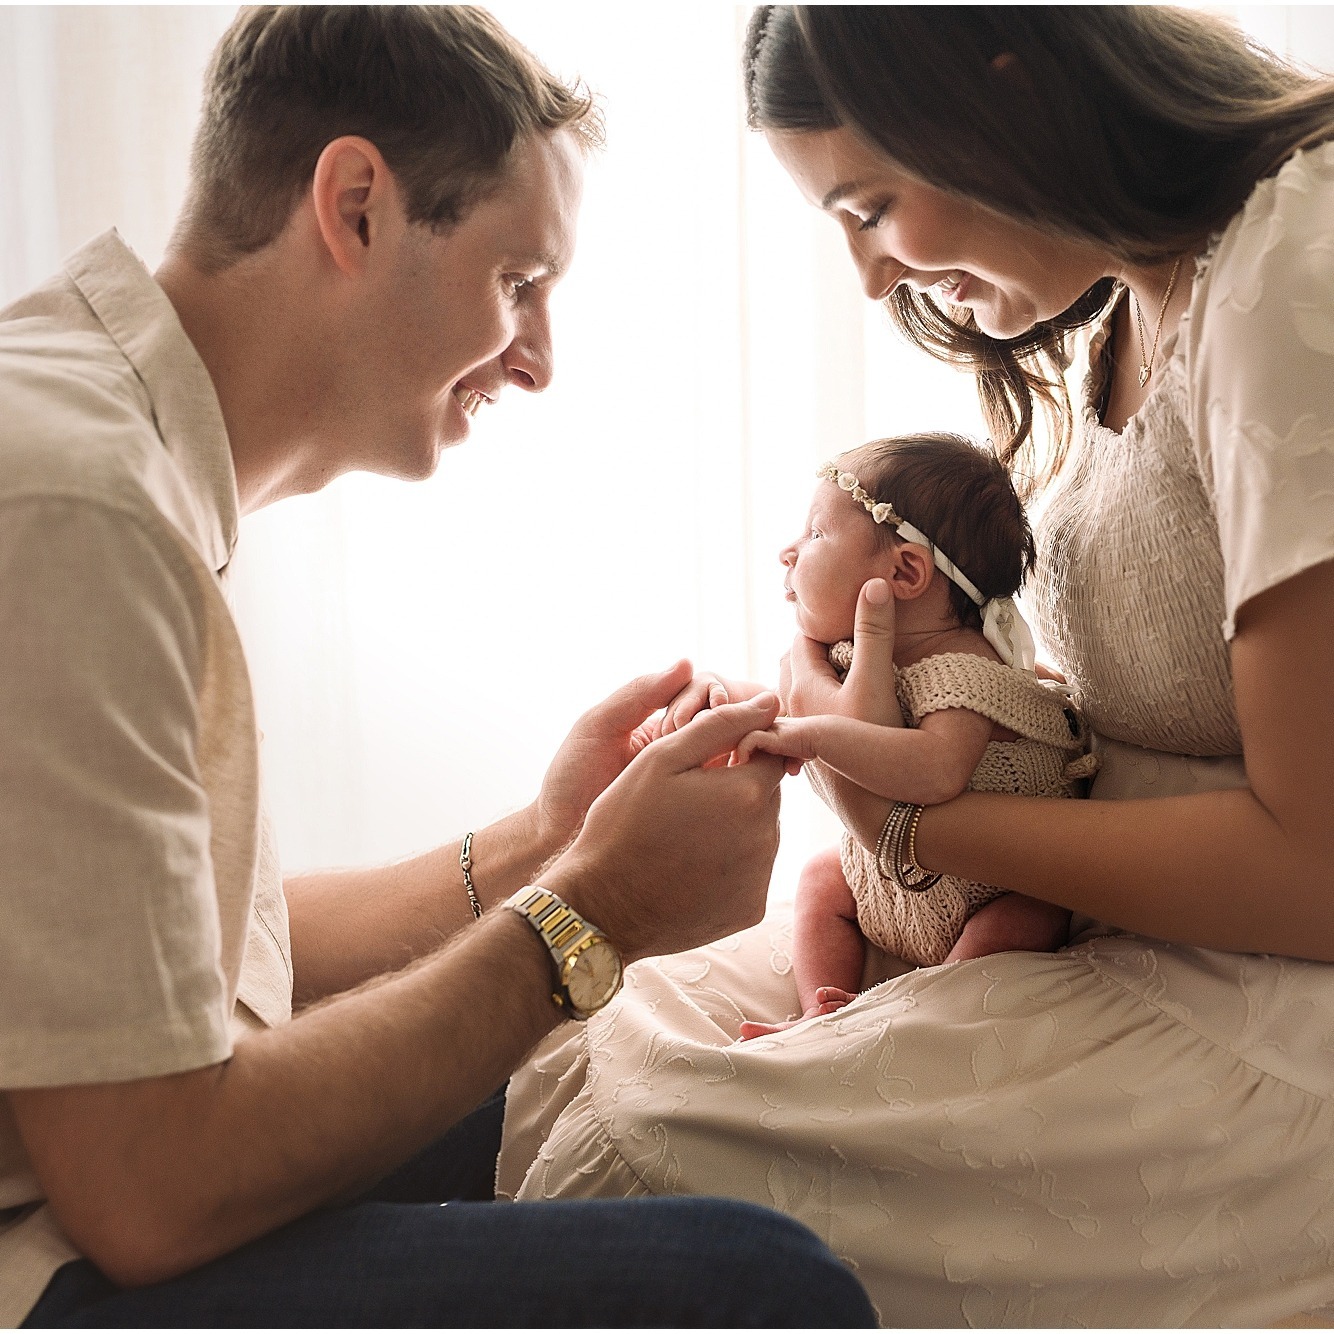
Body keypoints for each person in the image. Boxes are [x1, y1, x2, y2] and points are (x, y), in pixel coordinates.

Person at [0, 7, 879, 1328]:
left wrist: (545, 839)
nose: (538, 359)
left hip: (93, 1173)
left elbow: (200, 959)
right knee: (761, 1284)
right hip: (51, 1250)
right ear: (354, 206)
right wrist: (593, 910)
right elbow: (149, 1186)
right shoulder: (83, 510)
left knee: (621, 1083)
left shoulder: (107, 439)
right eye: (516, 279)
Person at [495, 6, 1334, 1326]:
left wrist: (906, 819)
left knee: (673, 1145)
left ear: (999, 94)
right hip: (1087, 909)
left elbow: (1314, 868)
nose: (870, 278)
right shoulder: (1121, 296)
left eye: (870, 208)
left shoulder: (1290, 265)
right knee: (609, 1023)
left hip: (1263, 980)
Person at [722, 435, 1090, 1040]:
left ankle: (915, 1016)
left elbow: (936, 771)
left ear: (904, 572)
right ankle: (820, 1009)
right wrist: (731, 704)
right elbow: (795, 705)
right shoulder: (853, 654)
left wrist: (813, 736)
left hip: (985, 891)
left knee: (1034, 911)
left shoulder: (967, 670)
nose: (789, 551)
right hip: (889, 883)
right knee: (820, 878)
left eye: (815, 533)